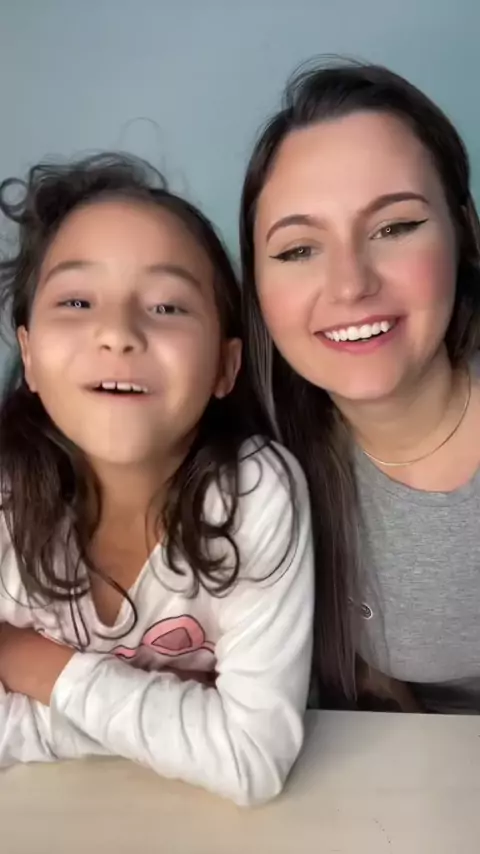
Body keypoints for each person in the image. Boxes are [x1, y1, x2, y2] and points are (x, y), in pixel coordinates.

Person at [0, 153, 314, 805]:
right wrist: (179, 723)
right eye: (77, 300)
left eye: (168, 306)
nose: (117, 333)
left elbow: (252, 756)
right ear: (28, 354)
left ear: (225, 366)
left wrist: (36, 665)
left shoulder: (255, 495)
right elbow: (226, 743)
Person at [240, 59, 480, 714]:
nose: (351, 285)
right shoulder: (265, 479)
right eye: (298, 249)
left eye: (394, 228)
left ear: (463, 232)